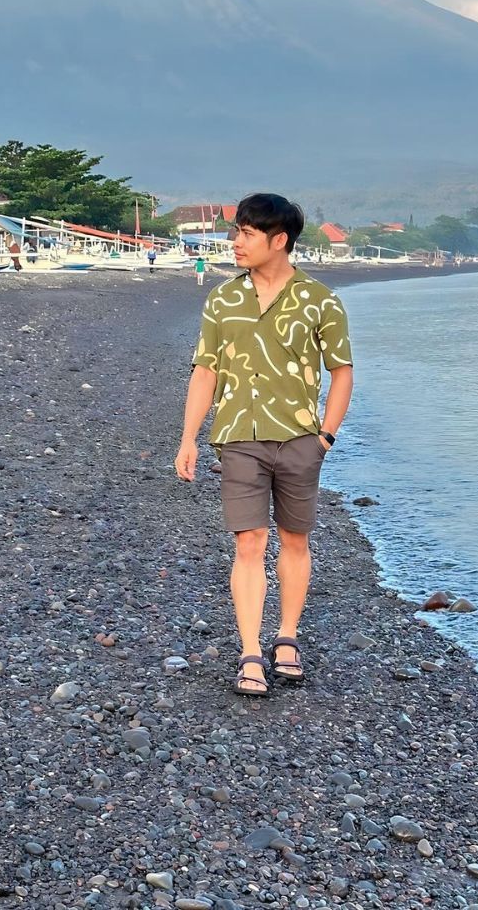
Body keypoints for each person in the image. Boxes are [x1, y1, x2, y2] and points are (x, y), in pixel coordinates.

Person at [175, 194, 353, 698]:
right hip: (239, 437)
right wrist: (188, 437)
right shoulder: (223, 299)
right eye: (238, 232)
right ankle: (251, 651)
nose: (236, 242)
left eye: (248, 234)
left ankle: (288, 639)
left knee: (295, 540)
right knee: (248, 542)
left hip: (300, 439)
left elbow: (341, 371)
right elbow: (205, 370)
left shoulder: (320, 300)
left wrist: (326, 436)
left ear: (280, 241)